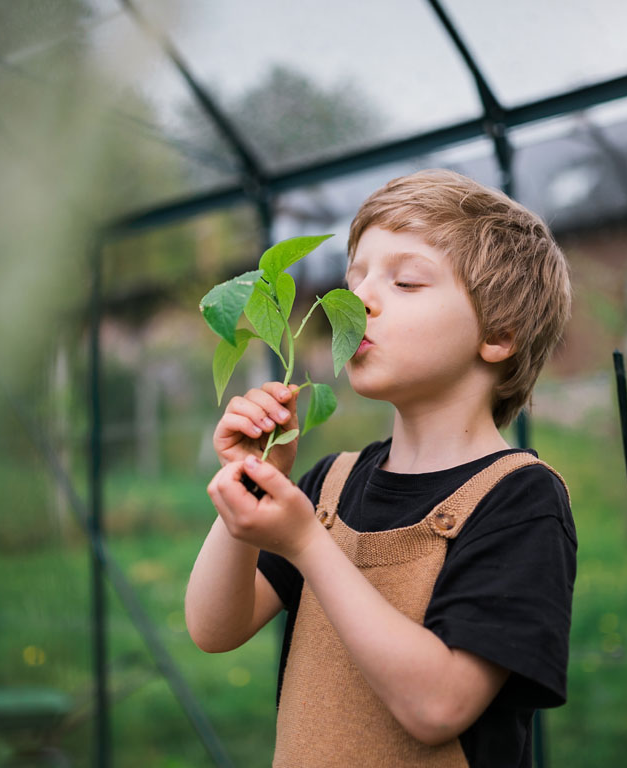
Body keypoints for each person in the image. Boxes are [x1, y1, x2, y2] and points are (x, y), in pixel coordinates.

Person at [185, 169, 576, 768]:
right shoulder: (329, 486)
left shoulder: (519, 499)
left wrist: (308, 544)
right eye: (354, 278)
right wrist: (248, 482)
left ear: (499, 334)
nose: (358, 299)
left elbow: (438, 707)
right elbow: (216, 628)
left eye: (407, 282)